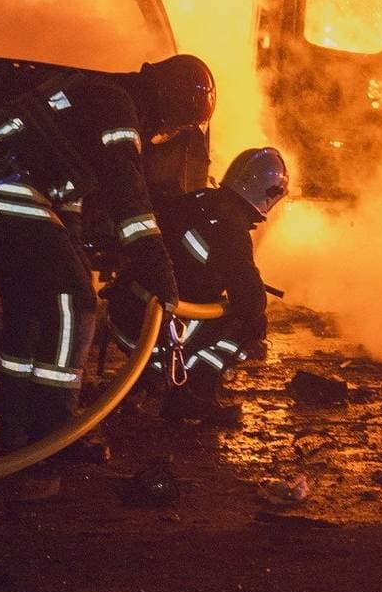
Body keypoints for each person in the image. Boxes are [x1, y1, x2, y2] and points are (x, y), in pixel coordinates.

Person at [0, 51, 216, 497]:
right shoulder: (119, 109)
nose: (168, 135)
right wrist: (158, 268)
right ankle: (53, 433)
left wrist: (76, 245)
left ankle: (18, 436)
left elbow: (67, 190)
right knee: (74, 300)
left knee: (32, 312)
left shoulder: (99, 95)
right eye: (177, 124)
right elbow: (128, 197)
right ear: (167, 102)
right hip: (5, 190)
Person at [109, 146, 289, 425]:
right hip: (154, 330)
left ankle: (152, 377)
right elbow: (251, 303)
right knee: (250, 324)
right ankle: (192, 396)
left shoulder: (195, 201)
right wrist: (241, 283)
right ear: (269, 194)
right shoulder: (231, 229)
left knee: (208, 312)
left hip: (125, 317)